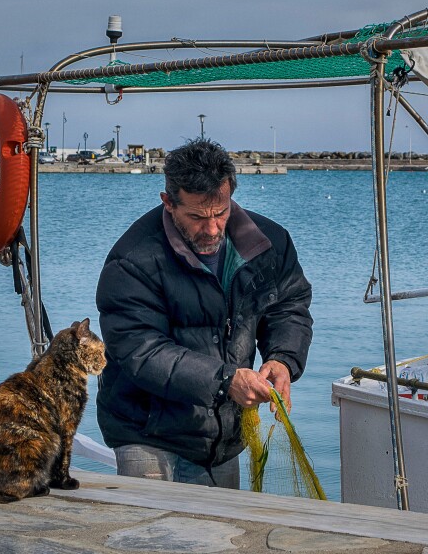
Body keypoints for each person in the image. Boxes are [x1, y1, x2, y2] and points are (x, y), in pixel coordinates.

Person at [95, 138, 313, 488]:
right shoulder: (132, 261)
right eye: (197, 216)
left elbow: (289, 306)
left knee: (218, 537)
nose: (211, 228)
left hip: (220, 436)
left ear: (230, 195)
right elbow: (142, 350)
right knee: (152, 538)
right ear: (168, 203)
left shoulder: (270, 242)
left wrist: (283, 359)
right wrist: (227, 381)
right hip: (145, 430)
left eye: (220, 213)